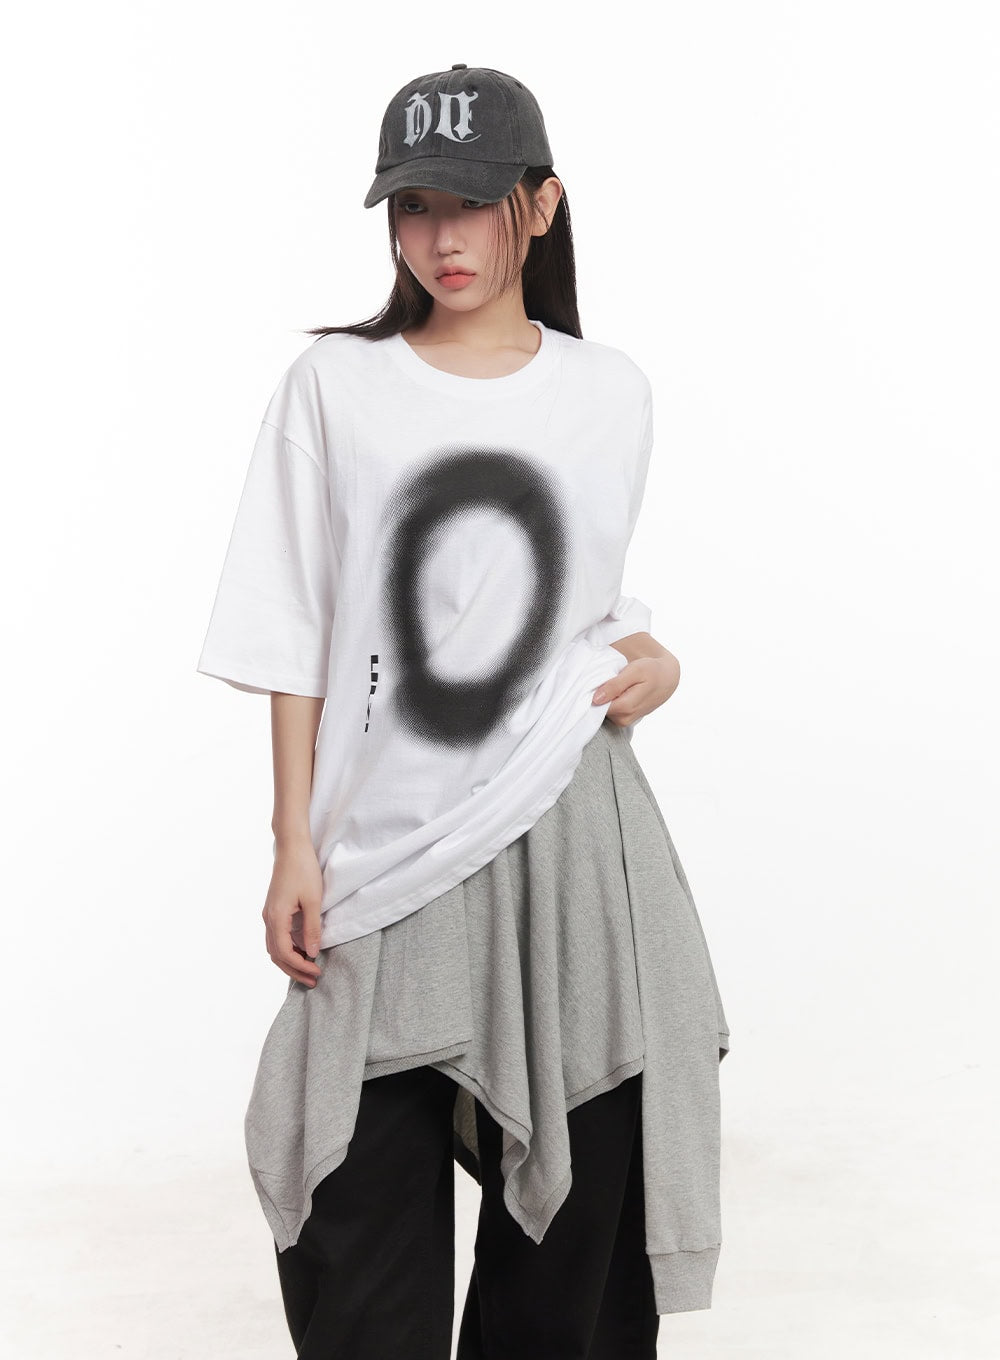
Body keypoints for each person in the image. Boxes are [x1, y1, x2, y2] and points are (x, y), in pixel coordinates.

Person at [196, 63, 731, 1360]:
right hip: (383, 856)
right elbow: (295, 624)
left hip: (571, 842)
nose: (441, 239)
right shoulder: (334, 387)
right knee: (356, 1241)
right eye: (414, 206)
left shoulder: (611, 390)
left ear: (539, 206)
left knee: (571, 1274)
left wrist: (656, 662)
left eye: (473, 205)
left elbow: (575, 605)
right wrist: (292, 842)